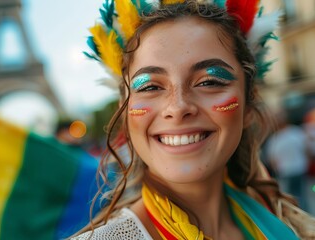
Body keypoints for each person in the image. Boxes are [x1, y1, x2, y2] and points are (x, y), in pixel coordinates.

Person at [73, 0, 315, 239]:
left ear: (249, 104)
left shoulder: (291, 227)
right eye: (149, 86)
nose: (178, 107)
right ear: (124, 112)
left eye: (209, 82)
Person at [266, 109, 309, 212]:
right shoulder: (296, 132)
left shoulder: (274, 139)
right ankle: (305, 213)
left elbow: (272, 160)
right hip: (300, 169)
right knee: (303, 195)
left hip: (285, 172)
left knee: (289, 198)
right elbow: (307, 149)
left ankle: (296, 216)